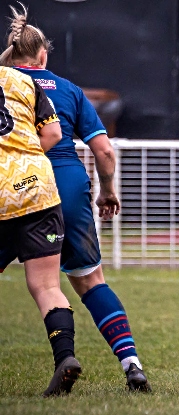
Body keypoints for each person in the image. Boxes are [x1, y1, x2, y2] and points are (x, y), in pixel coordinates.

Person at [0, 3, 151, 391]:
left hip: (9, 185)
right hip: (62, 186)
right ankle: (131, 363)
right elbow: (104, 151)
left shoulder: (5, 83)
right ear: (43, 55)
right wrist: (107, 192)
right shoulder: (66, 90)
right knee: (89, 280)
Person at [0, 60, 80, 396]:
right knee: (47, 286)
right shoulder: (23, 81)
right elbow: (53, 133)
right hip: (37, 187)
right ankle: (65, 358)